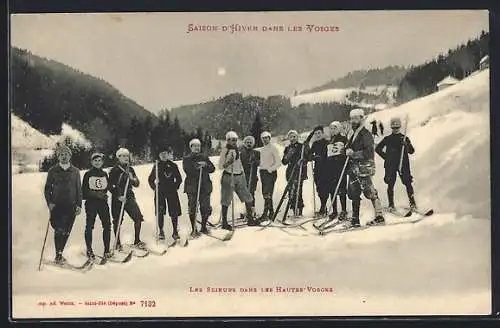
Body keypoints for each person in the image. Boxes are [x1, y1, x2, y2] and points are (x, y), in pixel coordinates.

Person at [345, 109, 385, 227]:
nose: (354, 121)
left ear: (362, 119)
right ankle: (355, 219)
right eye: (352, 118)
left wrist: (353, 154)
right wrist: (346, 151)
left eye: (357, 118)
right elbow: (349, 149)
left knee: (369, 191)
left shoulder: (365, 134)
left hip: (364, 168)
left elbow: (368, 152)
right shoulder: (353, 134)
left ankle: (379, 216)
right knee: (353, 192)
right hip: (354, 168)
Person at [44, 144, 82, 264]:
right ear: (58, 157)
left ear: (70, 156)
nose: (64, 156)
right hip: (57, 205)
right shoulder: (53, 171)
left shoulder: (75, 171)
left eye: (66, 154)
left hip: (71, 205)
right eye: (61, 154)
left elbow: (78, 189)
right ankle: (58, 254)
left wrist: (79, 205)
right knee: (58, 229)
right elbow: (47, 189)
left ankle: (60, 253)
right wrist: (49, 202)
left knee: (67, 230)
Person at [375, 117, 417, 211]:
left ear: (400, 127)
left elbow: (412, 151)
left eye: (397, 127)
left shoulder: (404, 138)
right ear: (391, 128)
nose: (395, 129)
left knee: (408, 183)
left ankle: (412, 203)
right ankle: (391, 205)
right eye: (394, 128)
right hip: (390, 165)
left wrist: (407, 144)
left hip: (403, 164)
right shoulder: (388, 139)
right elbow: (377, 149)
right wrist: (386, 157)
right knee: (390, 184)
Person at [219, 131, 259, 229]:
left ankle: (250, 219)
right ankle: (224, 223)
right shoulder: (225, 150)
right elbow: (220, 166)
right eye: (232, 140)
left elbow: (240, 163)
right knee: (226, 199)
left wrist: (243, 175)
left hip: (239, 175)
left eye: (235, 140)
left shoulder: (237, 149)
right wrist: (228, 162)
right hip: (229, 176)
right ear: (227, 140)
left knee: (248, 197)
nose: (234, 142)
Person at [108, 148, 145, 250]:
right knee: (117, 221)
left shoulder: (130, 169)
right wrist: (118, 196)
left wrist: (132, 178)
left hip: (129, 196)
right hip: (118, 198)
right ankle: (117, 243)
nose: (125, 158)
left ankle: (137, 241)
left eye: (126, 156)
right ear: (118, 157)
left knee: (138, 217)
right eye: (123, 156)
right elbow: (110, 186)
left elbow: (137, 183)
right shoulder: (114, 170)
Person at [148, 146, 182, 241]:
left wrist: (175, 187)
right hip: (160, 192)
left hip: (171, 191)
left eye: (165, 153)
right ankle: (161, 231)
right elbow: (151, 179)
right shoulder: (157, 166)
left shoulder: (173, 165)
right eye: (161, 154)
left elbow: (179, 179)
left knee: (174, 211)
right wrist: (155, 188)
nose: (163, 155)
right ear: (159, 155)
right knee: (160, 211)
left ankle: (175, 231)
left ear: (168, 154)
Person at [183, 138, 216, 236]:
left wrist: (205, 165)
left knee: (205, 207)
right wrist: (198, 166)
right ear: (191, 147)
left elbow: (212, 169)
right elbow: (188, 170)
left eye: (198, 146)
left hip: (205, 186)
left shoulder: (204, 157)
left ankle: (204, 227)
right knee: (192, 208)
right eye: (195, 146)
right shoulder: (187, 158)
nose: (197, 148)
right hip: (192, 187)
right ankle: (194, 229)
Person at [82, 152, 112, 260]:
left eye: (99, 161)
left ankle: (107, 250)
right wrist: (96, 194)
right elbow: (84, 191)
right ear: (92, 162)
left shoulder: (104, 174)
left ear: (102, 162)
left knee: (107, 225)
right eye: (95, 161)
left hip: (103, 204)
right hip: (91, 203)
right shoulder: (88, 174)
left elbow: (108, 187)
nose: (97, 162)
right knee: (90, 226)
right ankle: (89, 250)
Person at [281, 130, 310, 217]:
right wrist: (288, 155)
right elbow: (284, 162)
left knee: (298, 190)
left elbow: (307, 157)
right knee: (291, 191)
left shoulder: (302, 146)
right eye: (291, 137)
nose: (293, 138)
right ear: (289, 138)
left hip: (299, 171)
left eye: (294, 136)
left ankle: (299, 210)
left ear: (297, 137)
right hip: (290, 171)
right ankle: (294, 210)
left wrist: (304, 160)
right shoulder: (287, 148)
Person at [325, 121, 349, 221]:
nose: (333, 130)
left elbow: (347, 152)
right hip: (331, 168)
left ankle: (343, 210)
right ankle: (334, 210)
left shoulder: (344, 139)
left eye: (335, 128)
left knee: (342, 189)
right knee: (332, 189)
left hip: (340, 167)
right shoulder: (329, 141)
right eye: (331, 128)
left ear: (338, 129)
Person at [258, 131, 281, 221]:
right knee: (265, 193)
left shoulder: (273, 148)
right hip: (263, 173)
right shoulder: (262, 149)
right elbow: (262, 161)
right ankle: (271, 212)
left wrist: (270, 169)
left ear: (269, 138)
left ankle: (265, 213)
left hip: (270, 173)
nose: (265, 140)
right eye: (263, 138)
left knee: (268, 193)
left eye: (266, 138)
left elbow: (278, 162)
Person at [308, 126, 329, 217]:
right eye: (316, 134)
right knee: (319, 188)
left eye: (319, 133)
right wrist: (313, 157)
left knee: (325, 188)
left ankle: (324, 207)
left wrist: (323, 158)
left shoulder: (327, 142)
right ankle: (323, 206)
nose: (317, 135)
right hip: (317, 169)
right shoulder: (315, 144)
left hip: (326, 168)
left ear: (323, 133)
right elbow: (309, 155)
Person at [240, 136, 261, 218]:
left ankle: (252, 211)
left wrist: (255, 162)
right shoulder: (241, 154)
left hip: (252, 177)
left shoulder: (256, 153)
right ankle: (247, 211)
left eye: (250, 142)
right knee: (245, 194)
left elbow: (260, 163)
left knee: (251, 194)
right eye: (247, 142)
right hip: (244, 177)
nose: (249, 144)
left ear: (253, 144)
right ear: (244, 143)